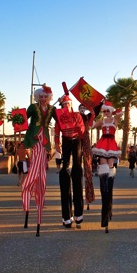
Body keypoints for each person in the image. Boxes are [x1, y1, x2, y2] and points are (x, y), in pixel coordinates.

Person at [21, 85, 56, 236]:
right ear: (37, 97)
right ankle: (30, 187)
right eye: (40, 97)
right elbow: (22, 119)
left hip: (45, 140)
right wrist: (17, 120)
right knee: (35, 165)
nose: (42, 99)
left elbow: (62, 119)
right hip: (34, 138)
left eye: (45, 97)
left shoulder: (52, 109)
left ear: (48, 98)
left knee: (41, 169)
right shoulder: (33, 107)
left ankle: (38, 190)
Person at [55, 95, 86, 229]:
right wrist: (57, 144)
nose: (66, 106)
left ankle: (79, 215)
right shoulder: (59, 117)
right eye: (64, 104)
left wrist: (79, 129)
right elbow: (57, 133)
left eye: (68, 103)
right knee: (64, 172)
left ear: (71, 104)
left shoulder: (77, 115)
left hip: (76, 141)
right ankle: (66, 216)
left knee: (77, 171)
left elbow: (82, 130)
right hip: (66, 141)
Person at [91, 100, 122, 233]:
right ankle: (104, 186)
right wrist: (94, 111)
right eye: (104, 111)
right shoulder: (102, 122)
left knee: (110, 168)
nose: (105, 113)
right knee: (103, 165)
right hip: (103, 143)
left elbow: (120, 112)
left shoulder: (115, 120)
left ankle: (108, 185)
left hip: (112, 144)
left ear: (110, 110)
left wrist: (114, 109)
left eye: (107, 110)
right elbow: (91, 124)